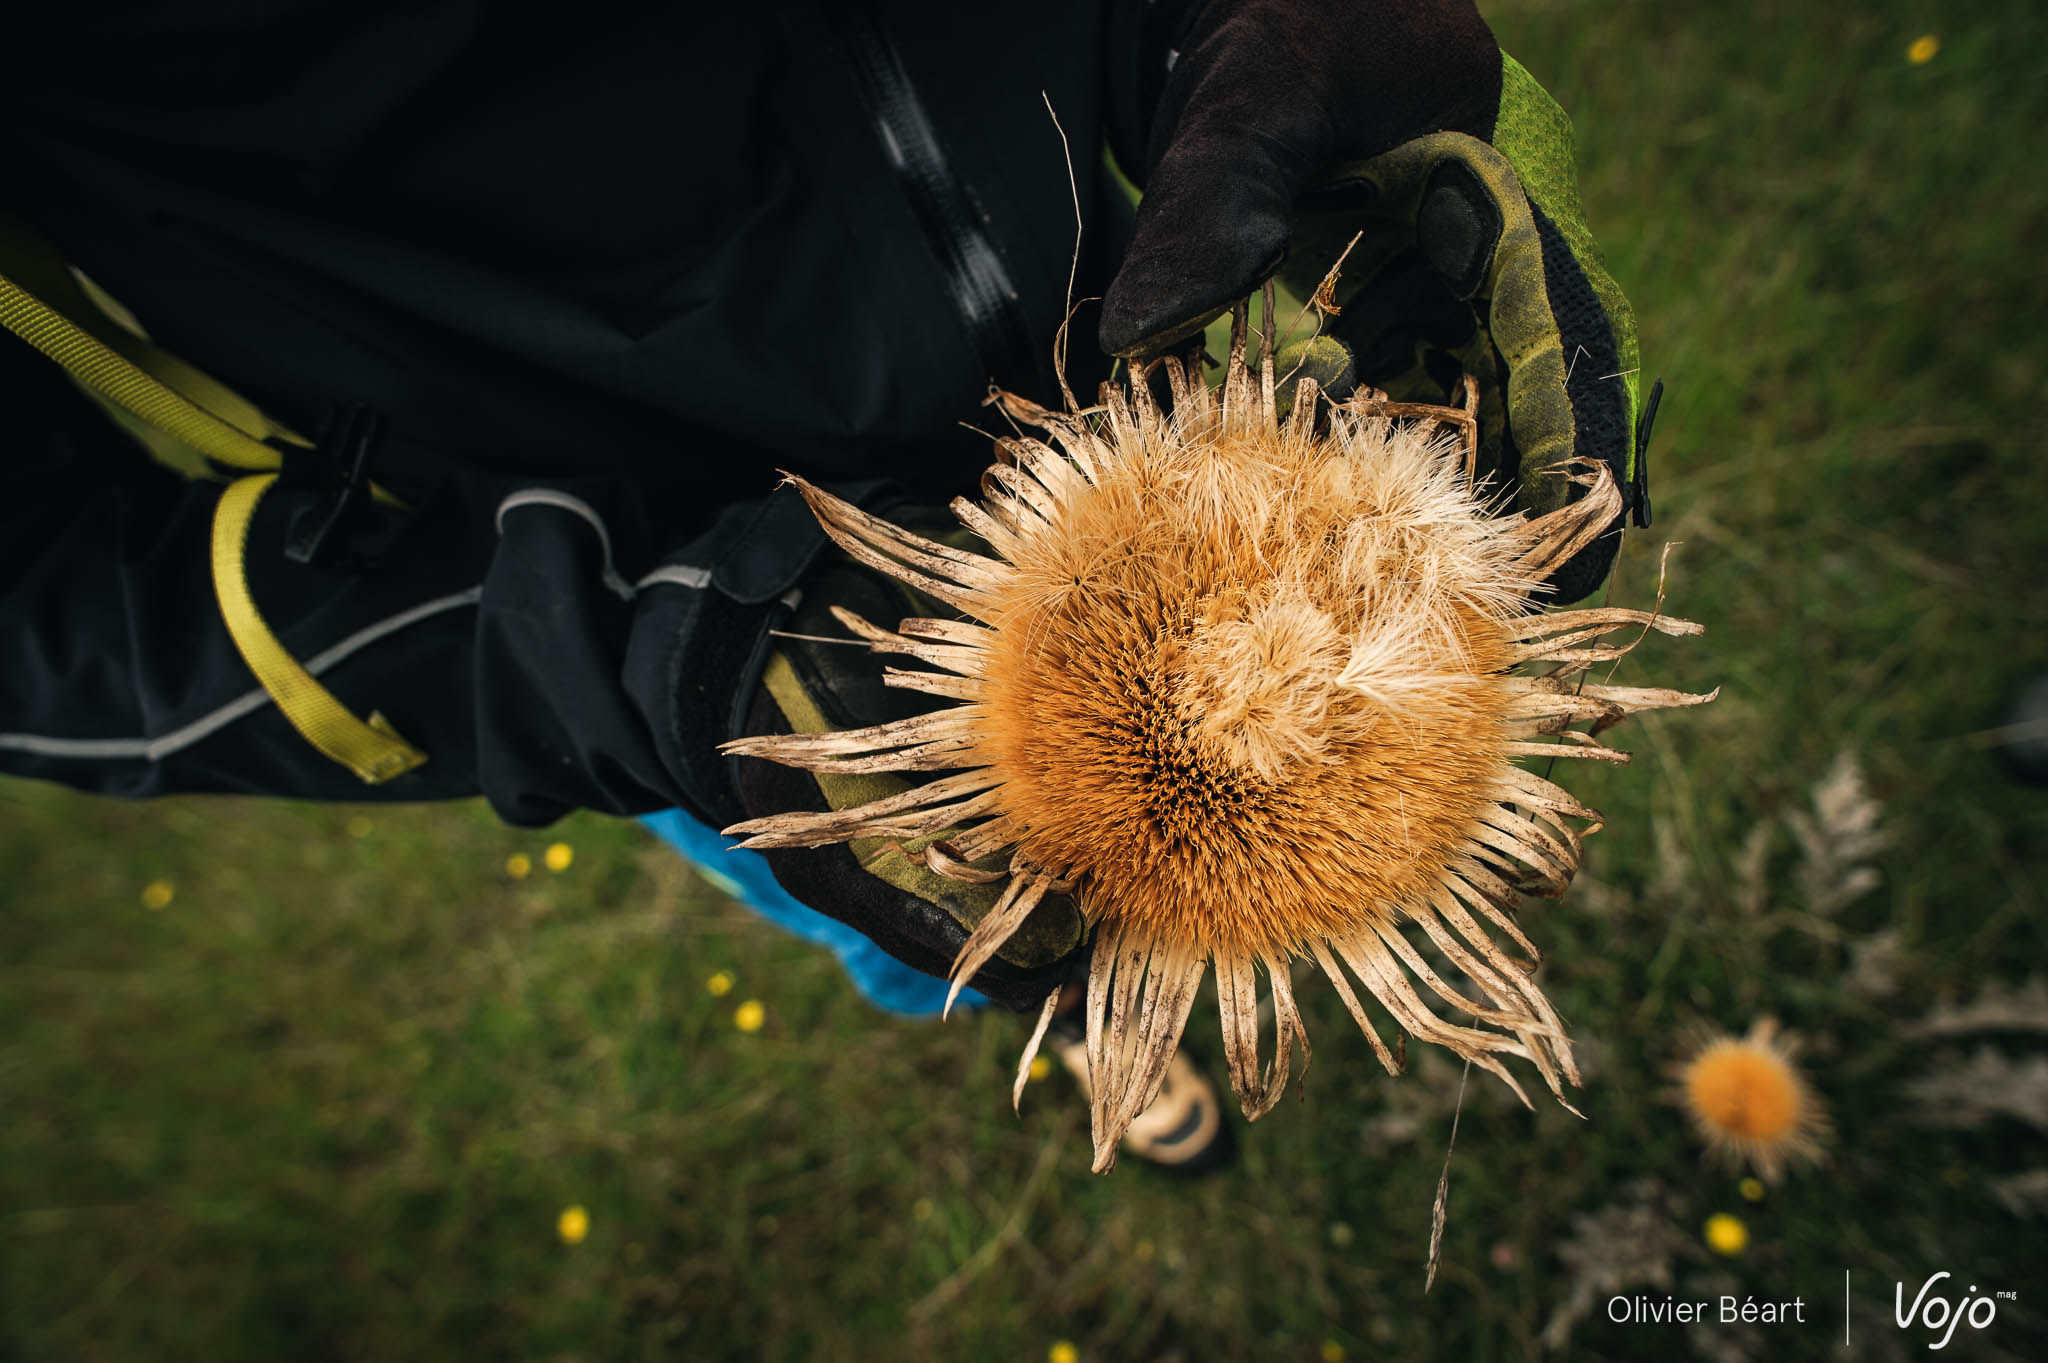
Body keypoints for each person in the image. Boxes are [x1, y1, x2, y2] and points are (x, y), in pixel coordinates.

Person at [0, 0, 1649, 1170]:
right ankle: (1059, 1022)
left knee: (949, 864)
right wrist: (595, 659)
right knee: (854, 867)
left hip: (1089, 300)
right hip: (634, 555)